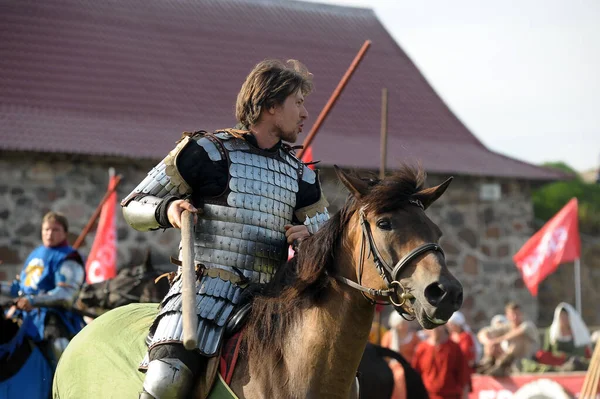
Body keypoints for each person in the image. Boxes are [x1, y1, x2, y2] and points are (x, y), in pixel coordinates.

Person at [122, 59, 331, 399]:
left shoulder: (300, 175)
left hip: (272, 299)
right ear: (271, 105)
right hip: (205, 290)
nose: (305, 113)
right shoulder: (207, 152)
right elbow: (133, 205)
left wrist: (312, 240)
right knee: (166, 380)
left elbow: (328, 245)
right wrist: (167, 208)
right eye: (298, 103)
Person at [2, 211, 85, 365]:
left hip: (51, 316)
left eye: (55, 230)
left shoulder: (69, 258)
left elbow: (66, 295)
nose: (49, 234)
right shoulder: (36, 253)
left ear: (65, 233)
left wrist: (32, 300)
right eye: (46, 229)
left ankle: (64, 385)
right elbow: (21, 288)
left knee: (58, 346)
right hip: (22, 315)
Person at [520, 302, 591, 373]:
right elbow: (547, 351)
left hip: (573, 360)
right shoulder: (551, 331)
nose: (563, 319)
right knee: (541, 355)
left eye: (566, 316)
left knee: (576, 362)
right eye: (562, 316)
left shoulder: (577, 333)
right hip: (556, 360)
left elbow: (582, 352)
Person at [477, 302, 539, 376]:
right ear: (507, 316)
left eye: (517, 314)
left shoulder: (528, 325)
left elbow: (518, 332)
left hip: (526, 362)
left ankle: (501, 365)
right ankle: (488, 363)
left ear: (521, 314)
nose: (515, 317)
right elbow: (482, 333)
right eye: (512, 314)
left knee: (518, 339)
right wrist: (489, 342)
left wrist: (497, 340)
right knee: (490, 339)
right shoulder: (506, 327)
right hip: (507, 362)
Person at [411, 326, 470, 399]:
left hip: (451, 395)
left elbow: (463, 375)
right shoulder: (421, 349)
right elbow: (415, 376)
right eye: (431, 327)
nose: (434, 330)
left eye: (437, 327)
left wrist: (465, 395)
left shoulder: (454, 348)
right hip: (427, 395)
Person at [380, 312, 421, 399]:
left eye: (405, 323)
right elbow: (384, 355)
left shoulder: (414, 336)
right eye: (401, 324)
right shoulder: (389, 336)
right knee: (399, 375)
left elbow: (419, 353)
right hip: (392, 367)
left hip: (411, 366)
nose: (403, 326)